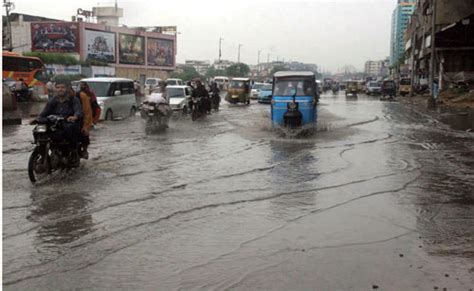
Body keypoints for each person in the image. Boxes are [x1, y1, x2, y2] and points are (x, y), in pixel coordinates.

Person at [34, 78, 83, 165]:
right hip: (55, 123)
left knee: (69, 129)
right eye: (58, 87)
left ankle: (72, 152)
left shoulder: (73, 100)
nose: (60, 89)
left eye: (62, 87)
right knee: (37, 130)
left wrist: (74, 117)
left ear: (67, 88)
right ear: (55, 89)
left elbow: (78, 111)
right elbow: (45, 112)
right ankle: (42, 154)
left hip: (68, 123)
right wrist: (37, 119)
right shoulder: (53, 100)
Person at [77, 82, 95, 159]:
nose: (82, 87)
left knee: (84, 133)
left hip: (84, 116)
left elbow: (89, 110)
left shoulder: (85, 95)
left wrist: (87, 124)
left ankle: (84, 150)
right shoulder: (55, 98)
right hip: (72, 117)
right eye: (80, 86)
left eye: (83, 86)